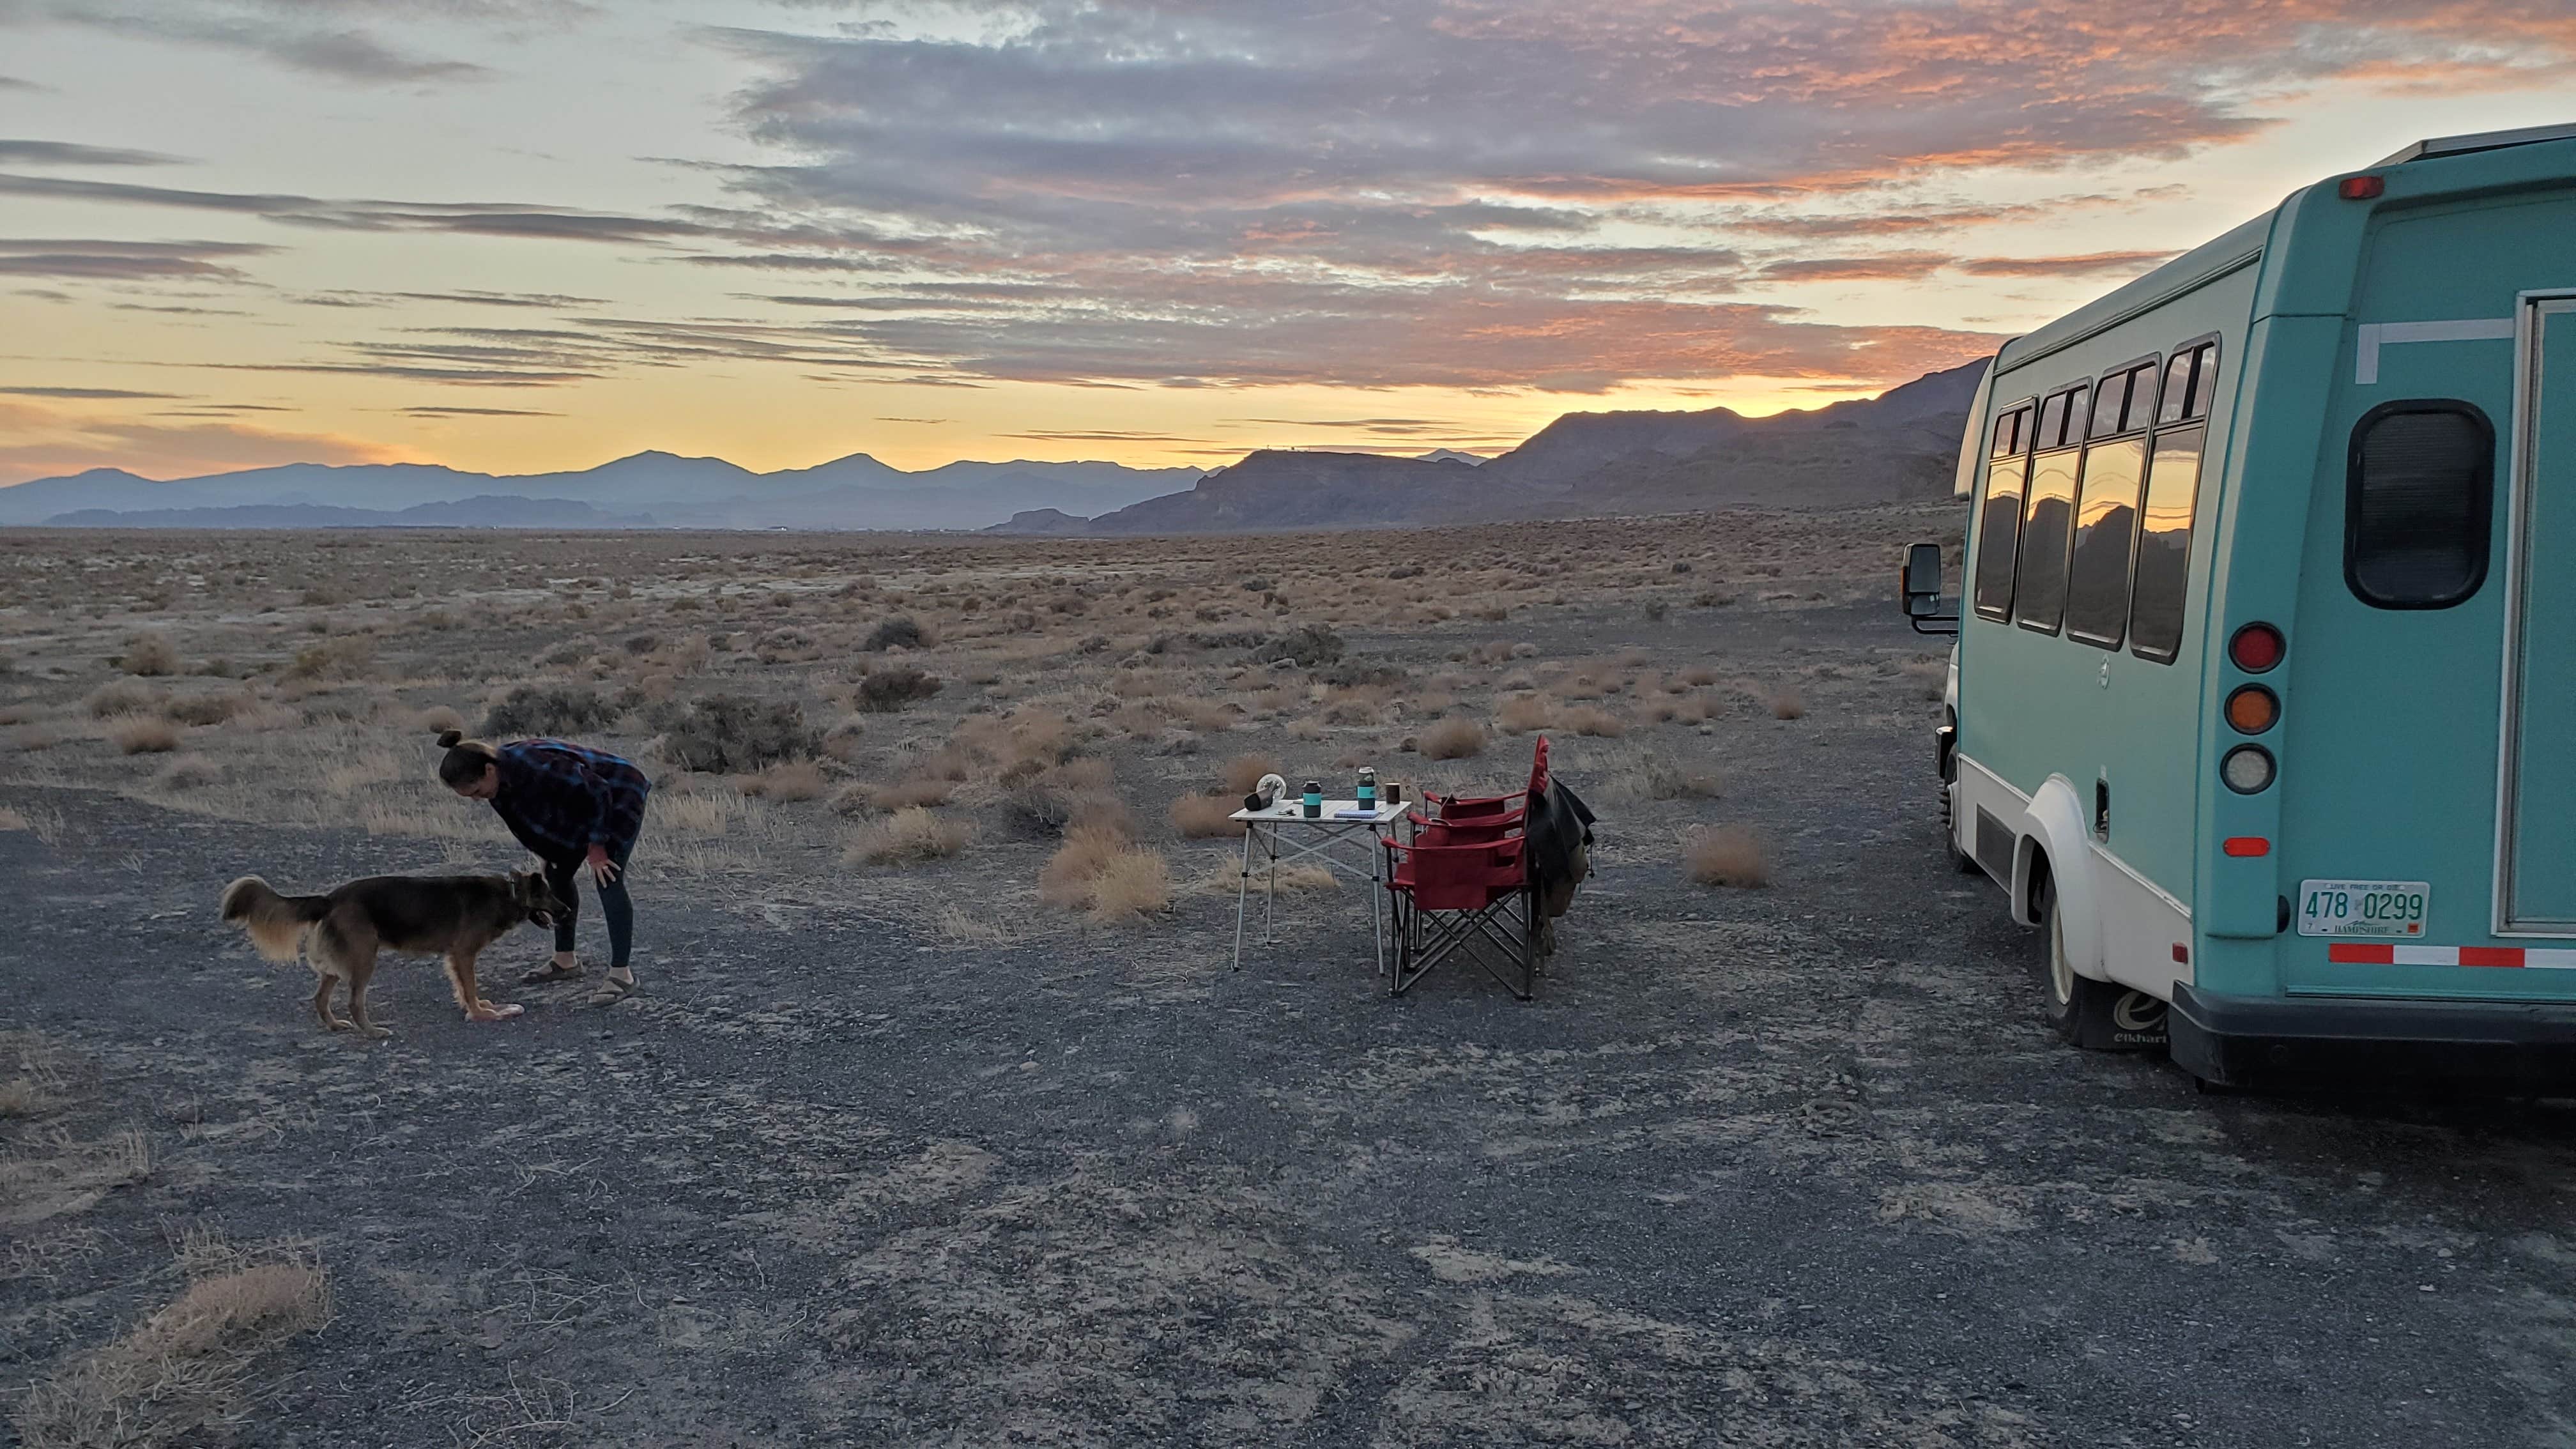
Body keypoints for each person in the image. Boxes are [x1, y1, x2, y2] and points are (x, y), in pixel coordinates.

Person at [434, 727, 652, 1007]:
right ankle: (566, 960)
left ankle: (623, 975)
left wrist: (597, 847)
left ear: (489, 770)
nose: (477, 798)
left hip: (619, 791)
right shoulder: (496, 785)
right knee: (556, 873)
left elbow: (598, 791)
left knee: (607, 876)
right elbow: (524, 823)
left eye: (476, 791)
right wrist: (549, 853)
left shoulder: (535, 765)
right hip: (580, 804)